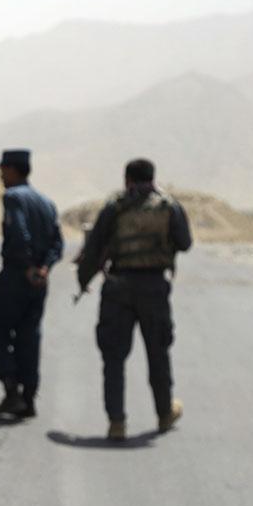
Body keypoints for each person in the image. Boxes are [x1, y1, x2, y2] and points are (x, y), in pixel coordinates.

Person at [77, 158, 191, 441]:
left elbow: (93, 249)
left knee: (113, 357)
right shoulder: (168, 206)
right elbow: (185, 242)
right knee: (158, 352)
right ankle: (164, 414)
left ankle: (117, 423)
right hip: (154, 287)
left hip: (118, 287)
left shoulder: (115, 207)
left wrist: (83, 281)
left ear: (127, 179)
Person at [0, 149, 64, 419]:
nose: (0, 175)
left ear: (13, 170)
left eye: (4, 169)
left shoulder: (13, 198)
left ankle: (12, 392)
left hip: (17, 277)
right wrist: (44, 268)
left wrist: (29, 266)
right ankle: (29, 398)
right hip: (38, 282)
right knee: (29, 338)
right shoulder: (46, 203)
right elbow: (57, 243)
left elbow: (19, 233)